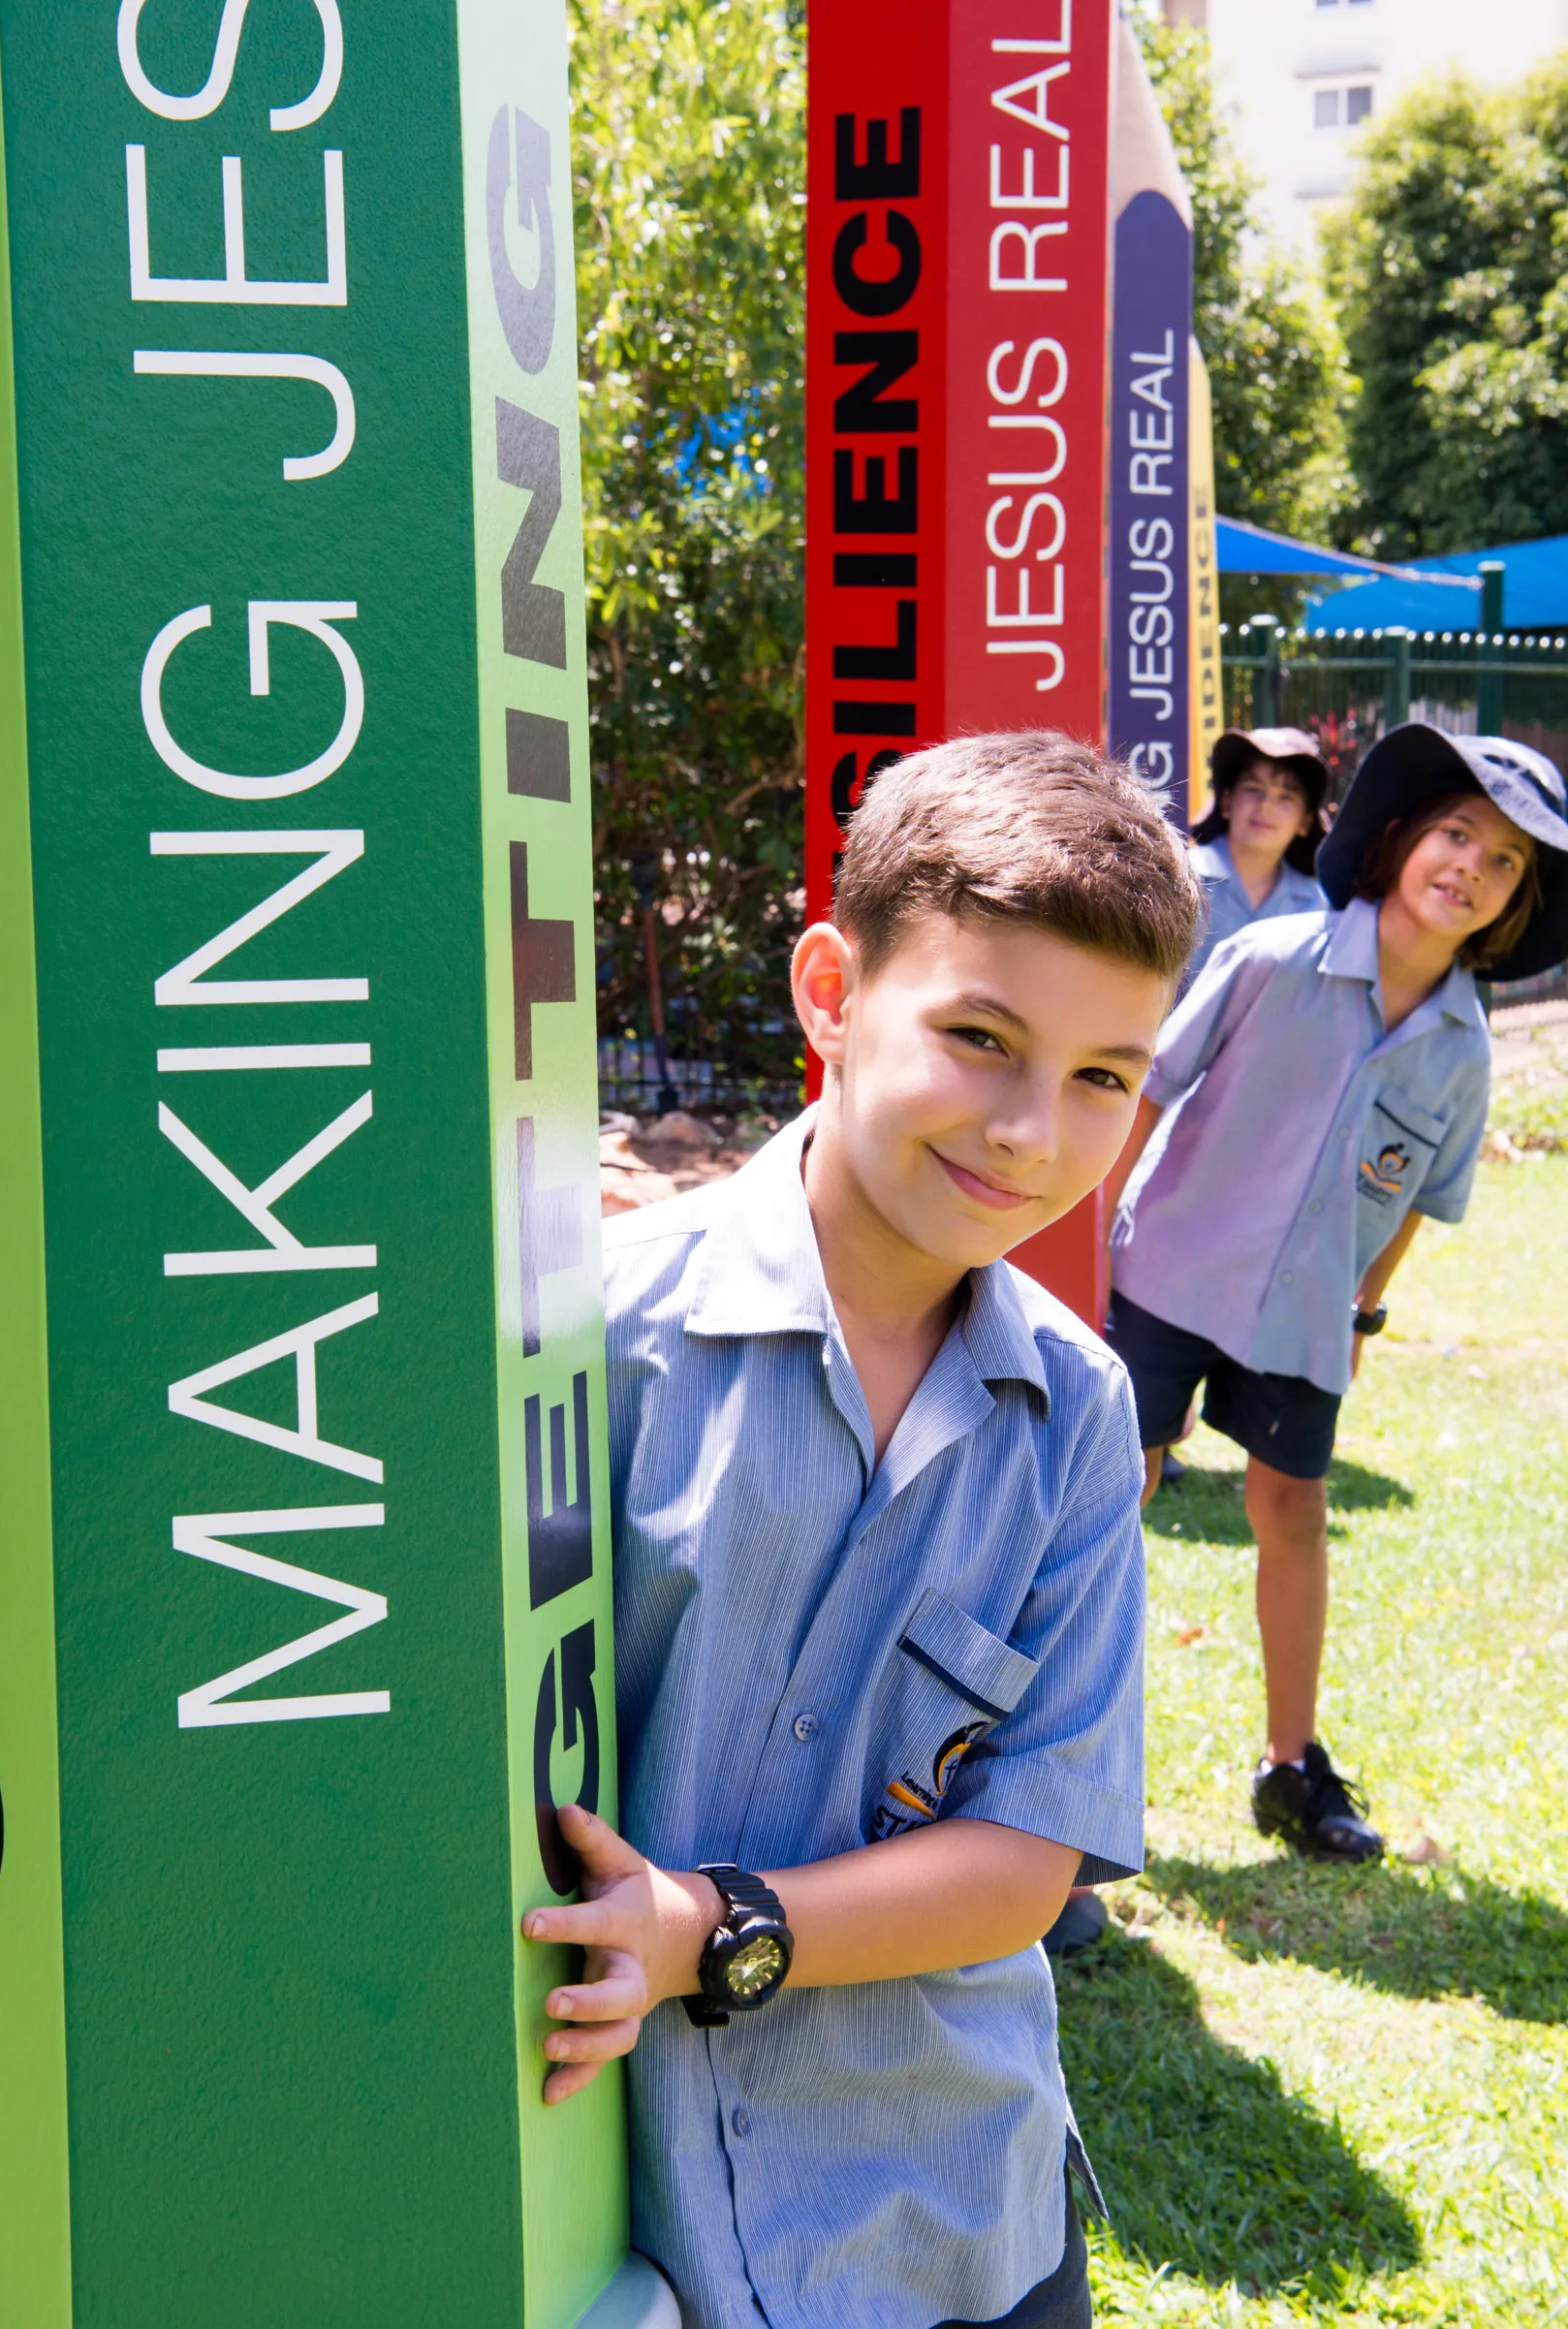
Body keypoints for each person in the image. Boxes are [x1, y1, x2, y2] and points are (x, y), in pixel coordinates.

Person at [525, 732, 1200, 2329]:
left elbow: (1029, 1856)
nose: (1036, 1129)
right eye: (980, 1035)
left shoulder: (1080, 1414)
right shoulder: (589, 1347)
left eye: (1104, 1076)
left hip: (964, 2216)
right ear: (831, 993)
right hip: (651, 2234)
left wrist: (716, 1924)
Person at [1102, 725, 1568, 1862]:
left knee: (1293, 1512)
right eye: (1457, 835)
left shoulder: (1460, 1047)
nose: (1470, 871)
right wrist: (1095, 1253)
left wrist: (1364, 1309)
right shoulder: (1270, 959)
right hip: (1168, 1273)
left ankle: (1292, 1768)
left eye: (1504, 866)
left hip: (1305, 1314)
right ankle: (1066, 1766)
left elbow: (1423, 1197)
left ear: (1517, 903)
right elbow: (1146, 1093)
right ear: (1398, 841)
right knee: (1112, 1498)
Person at [1179, 726, 1332, 991]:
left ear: (1306, 821)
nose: (1266, 806)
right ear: (1226, 802)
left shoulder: (1318, 907)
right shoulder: (1178, 877)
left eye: (1286, 796)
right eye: (1253, 788)